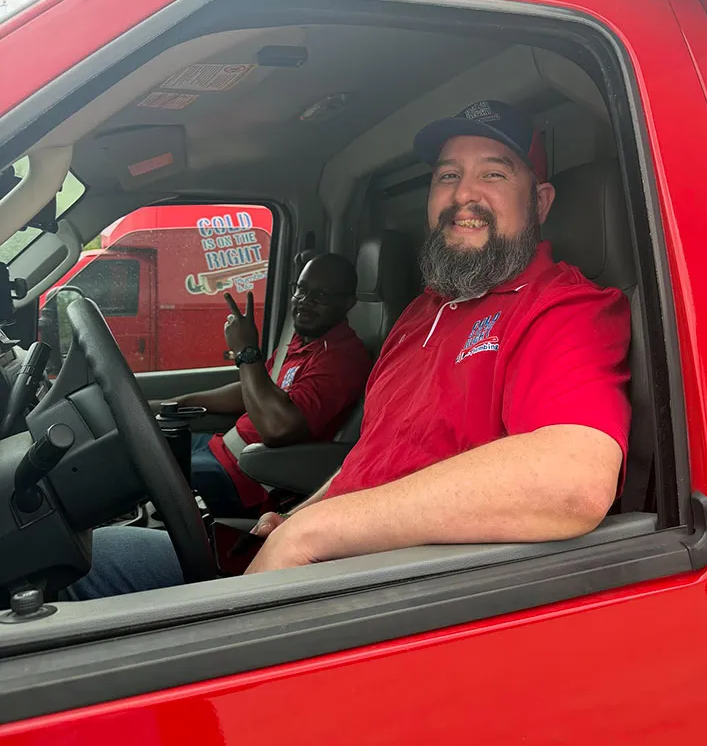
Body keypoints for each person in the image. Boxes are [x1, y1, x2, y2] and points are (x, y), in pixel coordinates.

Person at [64, 100, 631, 599]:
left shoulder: (561, 309)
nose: (464, 194)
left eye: (495, 174)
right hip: (331, 564)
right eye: (447, 175)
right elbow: (374, 456)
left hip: (384, 596)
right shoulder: (421, 313)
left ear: (541, 200)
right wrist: (302, 513)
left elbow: (574, 480)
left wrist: (314, 534)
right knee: (80, 556)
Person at [158, 252, 371, 516]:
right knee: (146, 449)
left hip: (251, 476)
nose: (305, 303)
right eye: (301, 290)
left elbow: (276, 428)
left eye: (321, 296)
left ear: (348, 303)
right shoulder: (303, 340)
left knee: (149, 475)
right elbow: (255, 389)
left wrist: (246, 352)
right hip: (223, 449)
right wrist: (184, 402)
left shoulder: (343, 359)